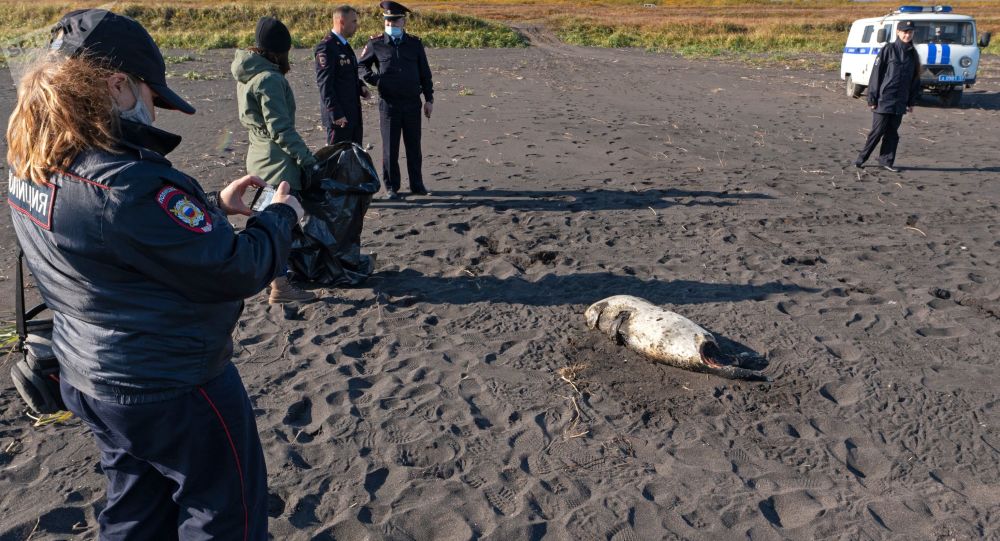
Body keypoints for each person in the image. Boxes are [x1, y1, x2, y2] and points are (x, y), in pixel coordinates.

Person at [7, 9, 304, 539]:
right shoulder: (127, 185)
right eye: (151, 95)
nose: (154, 108)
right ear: (118, 85)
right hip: (170, 384)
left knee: (134, 509)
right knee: (223, 515)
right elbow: (237, 269)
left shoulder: (34, 159)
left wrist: (212, 205)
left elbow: (104, 244)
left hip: (90, 373)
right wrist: (280, 217)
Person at [233, 16, 317, 302]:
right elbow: (280, 129)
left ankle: (279, 277)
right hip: (277, 162)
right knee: (278, 223)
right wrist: (307, 159)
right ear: (281, 50)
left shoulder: (247, 76)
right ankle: (280, 286)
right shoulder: (269, 79)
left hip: (257, 157)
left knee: (268, 220)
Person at [358, 0, 434, 199]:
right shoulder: (375, 43)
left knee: (414, 147)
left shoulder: (415, 44)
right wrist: (375, 80)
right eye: (388, 22)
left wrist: (429, 99)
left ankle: (417, 185)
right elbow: (361, 66)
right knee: (390, 148)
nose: (391, 25)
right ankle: (392, 187)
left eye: (395, 21)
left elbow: (425, 74)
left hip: (411, 103)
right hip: (389, 105)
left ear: (403, 21)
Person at [854, 20, 921, 173]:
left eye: (910, 32)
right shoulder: (888, 49)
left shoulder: (913, 53)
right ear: (898, 32)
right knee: (877, 131)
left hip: (900, 101)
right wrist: (872, 97)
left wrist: (911, 101)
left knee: (892, 132)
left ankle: (886, 161)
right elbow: (876, 75)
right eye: (904, 31)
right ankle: (861, 158)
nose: (907, 34)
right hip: (884, 99)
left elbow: (915, 79)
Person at [315, 5, 369, 145]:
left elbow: (347, 75)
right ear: (342, 21)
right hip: (340, 119)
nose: (356, 25)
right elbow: (325, 85)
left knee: (353, 160)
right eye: (354, 21)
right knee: (336, 161)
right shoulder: (327, 47)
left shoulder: (344, 45)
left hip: (352, 115)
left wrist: (361, 87)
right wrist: (336, 113)